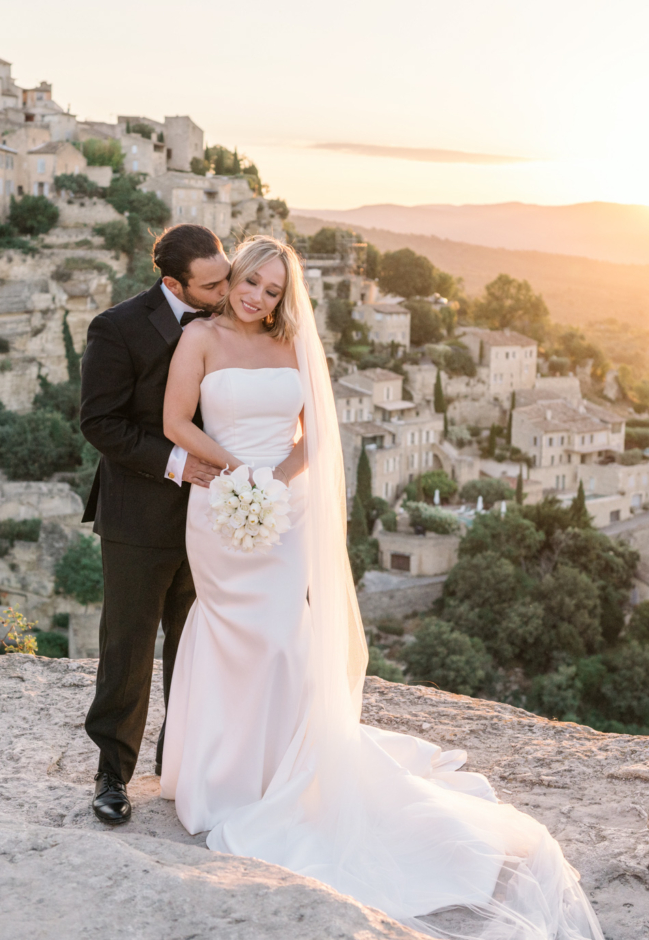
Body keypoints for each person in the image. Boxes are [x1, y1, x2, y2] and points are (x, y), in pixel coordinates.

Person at [157, 235, 604, 939]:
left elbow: (316, 439)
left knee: (281, 638)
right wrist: (239, 470)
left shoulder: (294, 347)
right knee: (228, 631)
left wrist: (274, 480)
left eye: (274, 291)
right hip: (219, 506)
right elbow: (175, 422)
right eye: (251, 283)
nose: (259, 298)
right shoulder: (200, 339)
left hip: (282, 507)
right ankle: (215, 779)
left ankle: (282, 776)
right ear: (233, 277)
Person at [78, 223, 231, 825]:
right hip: (137, 515)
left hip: (213, 517)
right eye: (212, 283)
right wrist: (178, 464)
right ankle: (112, 773)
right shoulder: (115, 329)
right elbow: (99, 423)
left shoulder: (231, 321)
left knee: (195, 647)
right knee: (129, 647)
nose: (226, 290)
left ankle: (180, 766)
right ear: (173, 283)